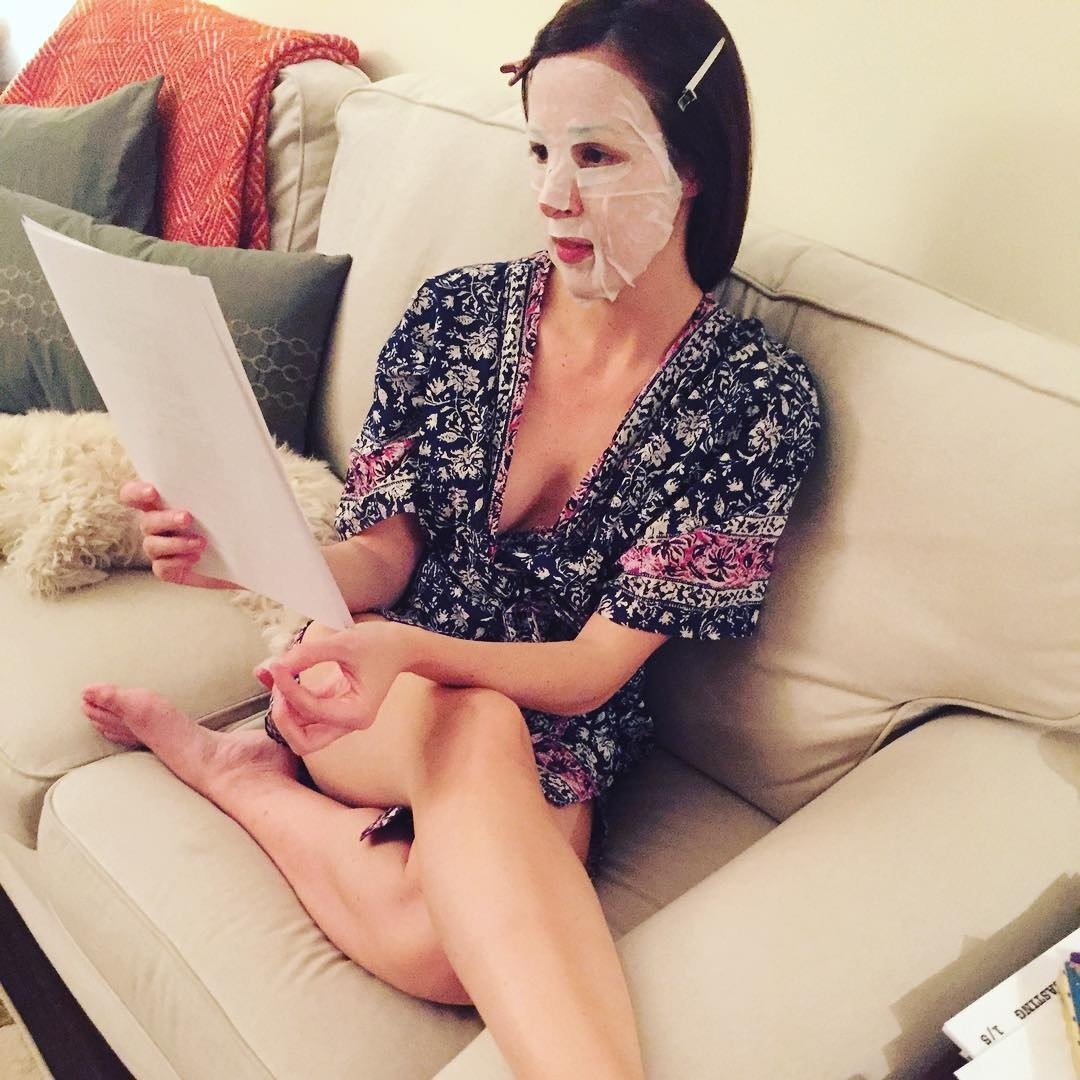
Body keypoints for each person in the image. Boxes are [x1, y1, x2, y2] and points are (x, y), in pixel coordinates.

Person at [81, 1, 820, 1076]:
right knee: (467, 722)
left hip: (555, 716)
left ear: (693, 167)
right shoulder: (455, 316)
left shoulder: (757, 402)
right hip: (370, 689)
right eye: (539, 151)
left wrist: (415, 654)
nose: (552, 195)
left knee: (438, 941)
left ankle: (238, 776)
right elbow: (381, 561)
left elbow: (593, 668)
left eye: (597, 154)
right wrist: (233, 551)